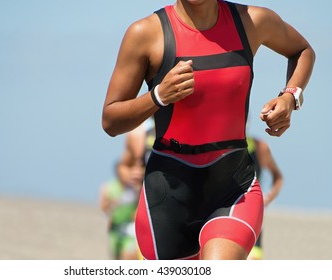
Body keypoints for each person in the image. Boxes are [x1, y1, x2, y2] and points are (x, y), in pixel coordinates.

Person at [102, 0, 315, 260]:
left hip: (234, 186)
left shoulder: (252, 21)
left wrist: (290, 97)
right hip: (167, 194)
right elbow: (111, 121)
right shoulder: (146, 33)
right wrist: (158, 96)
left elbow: (302, 50)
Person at [246, 136, 283, 260]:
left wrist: (267, 199)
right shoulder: (219, 146)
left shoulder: (260, 147)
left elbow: (278, 176)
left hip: (252, 222)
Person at [99, 169, 141, 260]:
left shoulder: (134, 188)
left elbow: (139, 204)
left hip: (130, 227)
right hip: (115, 227)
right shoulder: (109, 187)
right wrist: (111, 206)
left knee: (130, 255)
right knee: (116, 256)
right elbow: (103, 206)